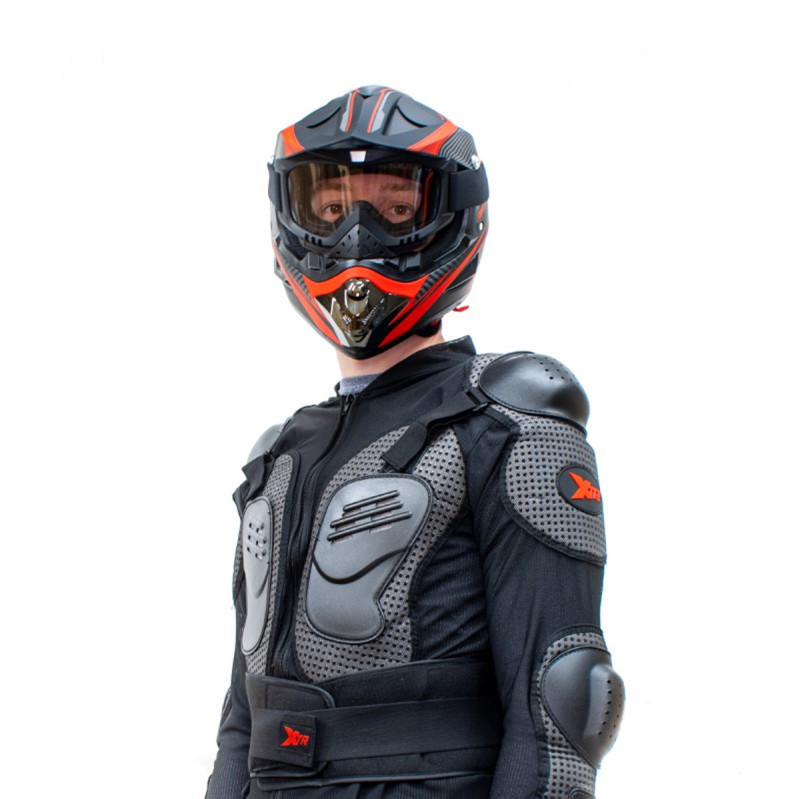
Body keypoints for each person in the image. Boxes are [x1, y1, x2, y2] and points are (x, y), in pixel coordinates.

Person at [205, 85, 624, 799]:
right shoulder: (280, 459)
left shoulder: (508, 420)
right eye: (330, 210)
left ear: (453, 218)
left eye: (396, 210)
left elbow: (561, 704)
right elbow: (243, 726)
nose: (356, 235)